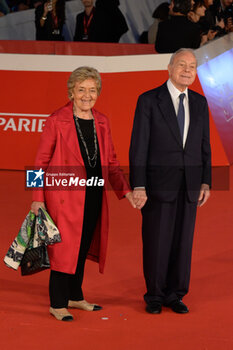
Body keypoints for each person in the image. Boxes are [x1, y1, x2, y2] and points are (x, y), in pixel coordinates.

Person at [31, 66, 135, 321]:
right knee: (64, 249)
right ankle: (57, 303)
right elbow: (39, 162)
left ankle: (74, 296)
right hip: (63, 198)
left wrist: (126, 191)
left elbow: (111, 161)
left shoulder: (102, 121)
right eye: (81, 90)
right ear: (71, 92)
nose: (87, 95)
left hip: (93, 195)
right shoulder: (57, 120)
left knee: (83, 244)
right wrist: (36, 199)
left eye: (92, 90)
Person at [129, 49, 211, 314]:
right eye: (182, 65)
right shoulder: (149, 100)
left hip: (190, 184)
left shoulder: (200, 102)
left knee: (182, 242)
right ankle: (154, 294)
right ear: (169, 67)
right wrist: (138, 184)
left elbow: (203, 146)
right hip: (157, 184)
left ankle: (175, 294)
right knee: (156, 240)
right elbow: (138, 146)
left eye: (192, 66)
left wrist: (206, 181)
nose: (187, 70)